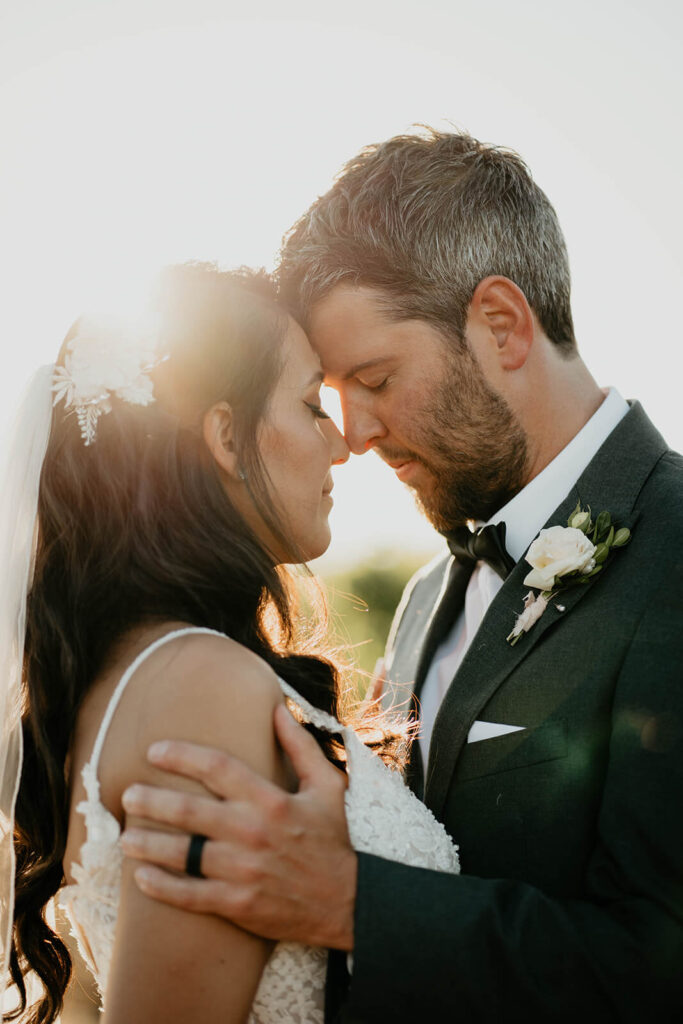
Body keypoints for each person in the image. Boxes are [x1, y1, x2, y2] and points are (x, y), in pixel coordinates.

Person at [120, 130, 683, 1023]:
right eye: (330, 394)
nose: (355, 434)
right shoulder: (427, 597)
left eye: (374, 378)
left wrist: (352, 903)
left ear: (500, 325)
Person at [1, 264, 461, 1024]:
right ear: (223, 434)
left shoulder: (134, 670)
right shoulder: (200, 686)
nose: (341, 445)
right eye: (312, 403)